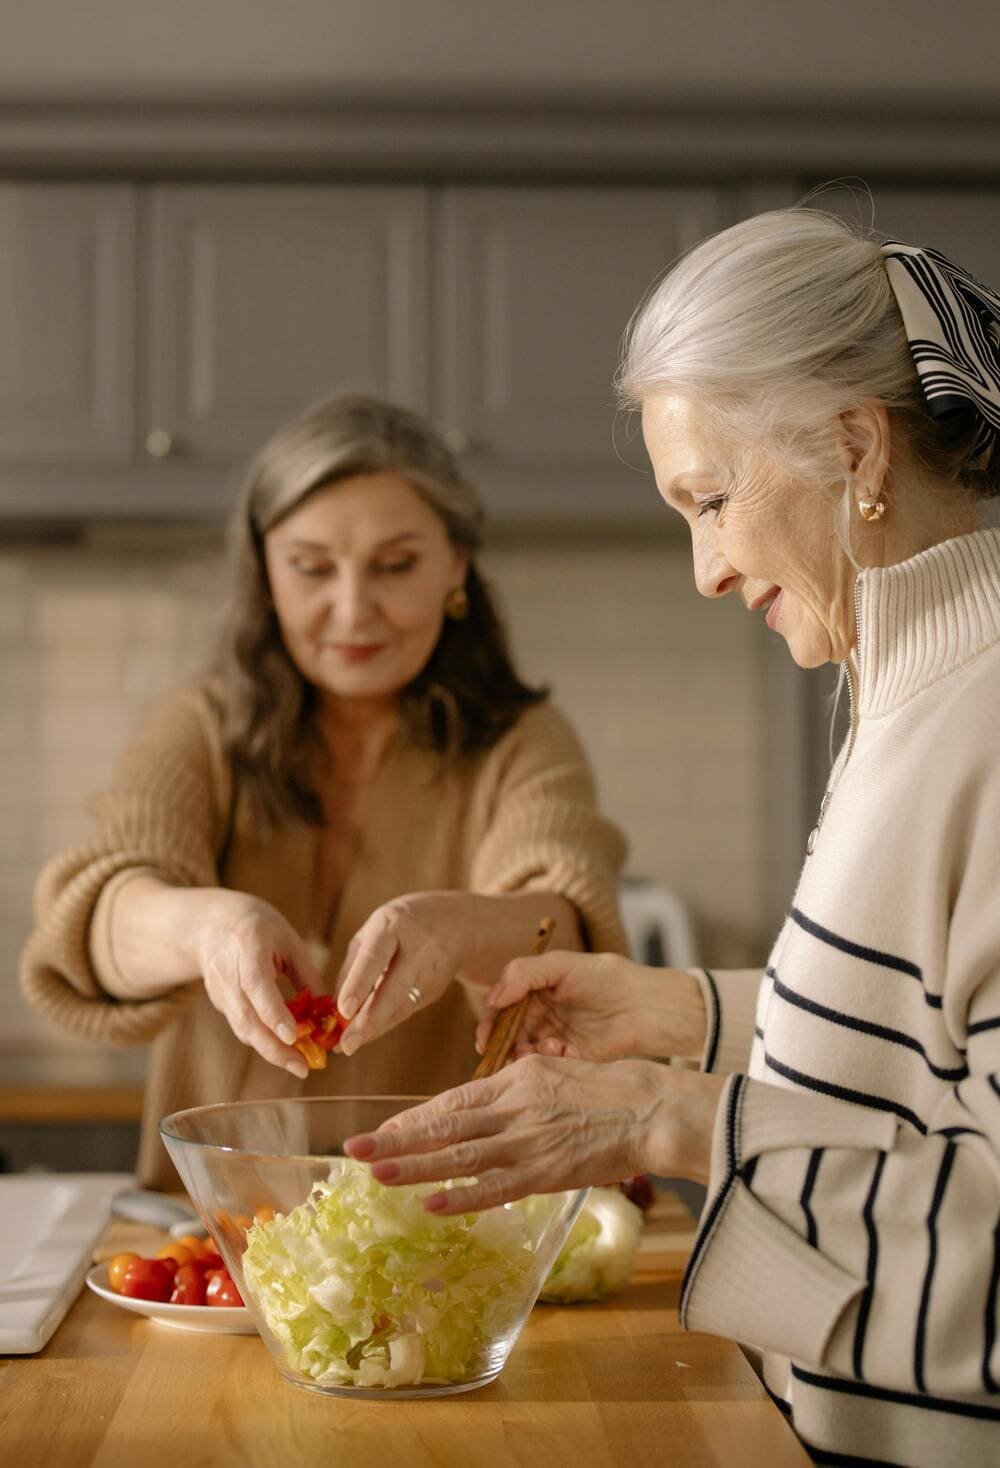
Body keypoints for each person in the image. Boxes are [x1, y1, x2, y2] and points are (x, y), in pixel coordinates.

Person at [345, 212, 1000, 1467]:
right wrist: (681, 1016)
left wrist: (667, 1120)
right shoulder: (904, 696)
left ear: (858, 447)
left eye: (710, 500)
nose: (703, 569)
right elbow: (926, 1053)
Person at [20, 393, 626, 1189]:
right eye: (312, 567)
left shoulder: (525, 742)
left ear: (457, 566)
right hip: (218, 1233)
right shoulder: (198, 726)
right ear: (266, 573)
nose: (351, 609)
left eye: (396, 565)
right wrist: (206, 928)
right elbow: (96, 925)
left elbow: (568, 923)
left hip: (442, 1223)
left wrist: (460, 928)